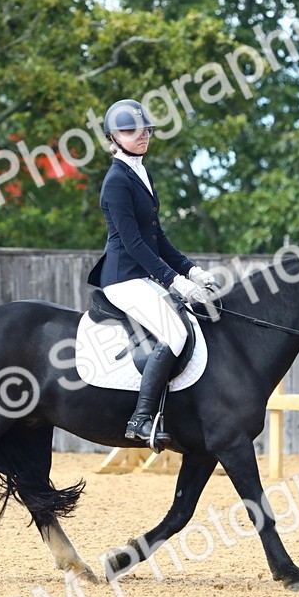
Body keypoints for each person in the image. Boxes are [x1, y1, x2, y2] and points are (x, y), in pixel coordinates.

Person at [87, 99, 219, 446]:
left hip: (142, 275)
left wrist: (192, 271)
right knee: (174, 334)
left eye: (144, 128)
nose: (141, 134)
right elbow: (134, 245)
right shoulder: (116, 180)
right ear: (113, 137)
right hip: (123, 278)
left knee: (191, 321)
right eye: (130, 130)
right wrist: (174, 281)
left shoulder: (139, 172)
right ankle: (140, 419)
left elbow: (156, 237)